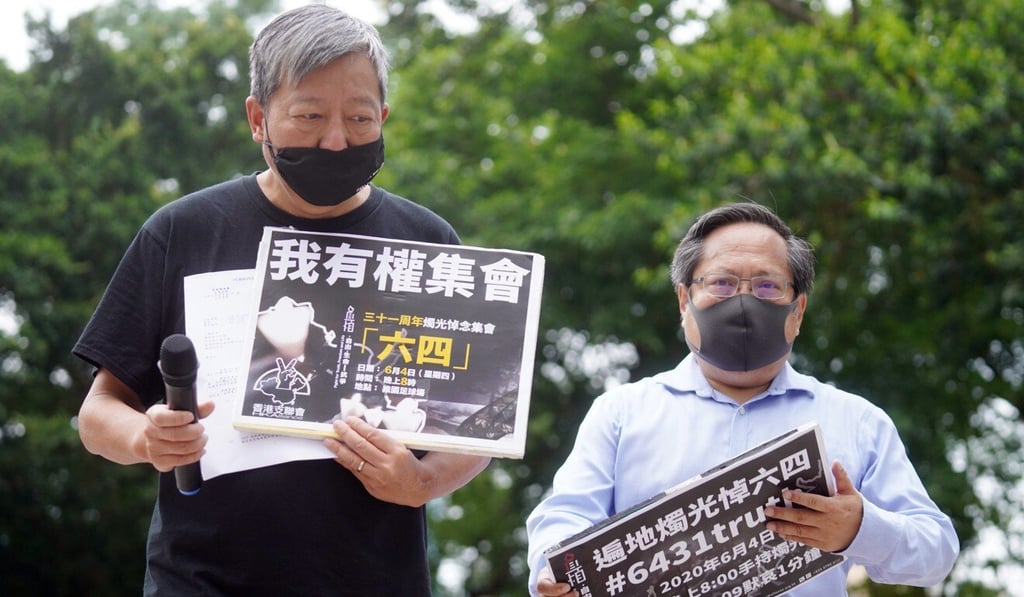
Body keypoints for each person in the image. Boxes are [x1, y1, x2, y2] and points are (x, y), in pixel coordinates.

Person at [73, 5, 489, 595]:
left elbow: (479, 424)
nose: (336, 140)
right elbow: (98, 414)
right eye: (309, 116)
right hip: (202, 580)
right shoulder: (184, 232)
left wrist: (423, 482)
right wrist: (147, 438)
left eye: (359, 118)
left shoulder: (426, 243)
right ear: (257, 118)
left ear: (383, 118)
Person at [526, 202, 959, 596]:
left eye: (767, 286)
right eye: (722, 282)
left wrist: (859, 527)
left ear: (798, 310)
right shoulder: (621, 413)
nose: (744, 301)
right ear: (684, 300)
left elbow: (936, 551)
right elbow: (566, 517)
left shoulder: (857, 421)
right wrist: (552, 570)